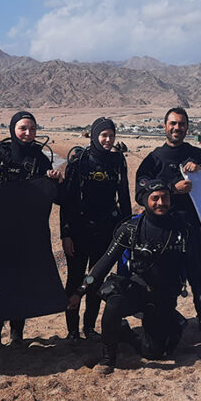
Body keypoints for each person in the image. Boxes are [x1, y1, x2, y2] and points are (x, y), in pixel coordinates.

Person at [68, 179, 201, 374]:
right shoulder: (130, 229)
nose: (161, 203)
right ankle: (108, 358)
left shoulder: (183, 229)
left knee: (155, 352)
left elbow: (195, 272)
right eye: (155, 198)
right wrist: (80, 291)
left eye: (165, 198)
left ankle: (129, 333)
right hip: (135, 290)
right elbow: (102, 265)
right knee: (113, 305)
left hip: (164, 295)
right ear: (145, 201)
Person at [0, 111, 62, 347]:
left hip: (28, 232)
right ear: (13, 129)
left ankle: (16, 334)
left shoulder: (41, 159)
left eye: (32, 129)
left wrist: (55, 181)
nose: (28, 133)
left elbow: (57, 198)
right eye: (23, 128)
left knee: (22, 282)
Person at [135, 107, 201, 336]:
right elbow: (140, 194)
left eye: (181, 124)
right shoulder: (152, 160)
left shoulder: (199, 155)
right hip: (165, 230)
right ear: (164, 126)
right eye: (172, 123)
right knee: (166, 274)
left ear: (187, 128)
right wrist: (173, 190)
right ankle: (163, 315)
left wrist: (200, 169)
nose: (177, 128)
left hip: (194, 225)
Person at [60, 117, 130, 342]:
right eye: (104, 135)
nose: (108, 140)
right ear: (94, 135)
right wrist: (66, 234)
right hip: (80, 230)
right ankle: (72, 331)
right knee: (75, 280)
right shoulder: (80, 161)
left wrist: (127, 228)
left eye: (111, 135)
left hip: (106, 231)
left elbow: (124, 196)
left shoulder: (118, 160)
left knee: (95, 281)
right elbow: (67, 202)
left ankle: (89, 328)